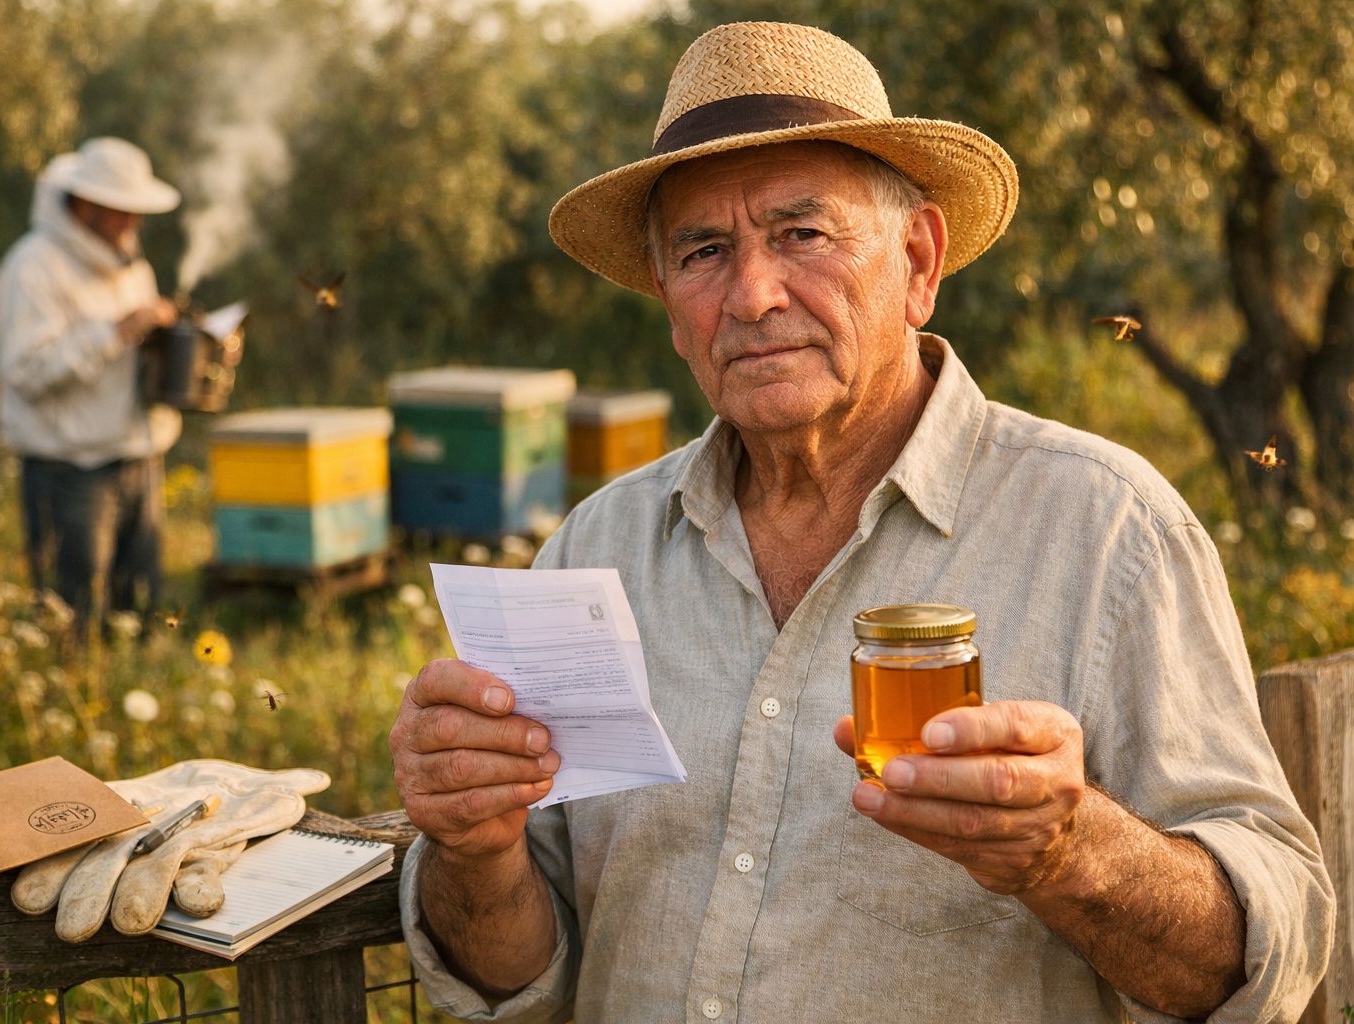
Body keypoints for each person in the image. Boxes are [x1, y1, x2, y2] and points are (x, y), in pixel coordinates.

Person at [389, 21, 1334, 1024]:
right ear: (669, 303)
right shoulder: (594, 548)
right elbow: (513, 981)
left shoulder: (1107, 530)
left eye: (802, 234)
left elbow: (1270, 958)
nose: (753, 296)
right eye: (705, 252)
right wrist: (471, 846)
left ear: (918, 260)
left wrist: (1069, 851)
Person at [0, 136, 182, 629]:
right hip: (69, 472)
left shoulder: (133, 266)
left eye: (136, 210)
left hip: (138, 458)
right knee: (71, 620)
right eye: (121, 209)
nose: (132, 222)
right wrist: (115, 332)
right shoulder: (32, 267)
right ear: (84, 203)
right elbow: (25, 370)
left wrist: (178, 341)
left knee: (137, 610)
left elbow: (133, 360)